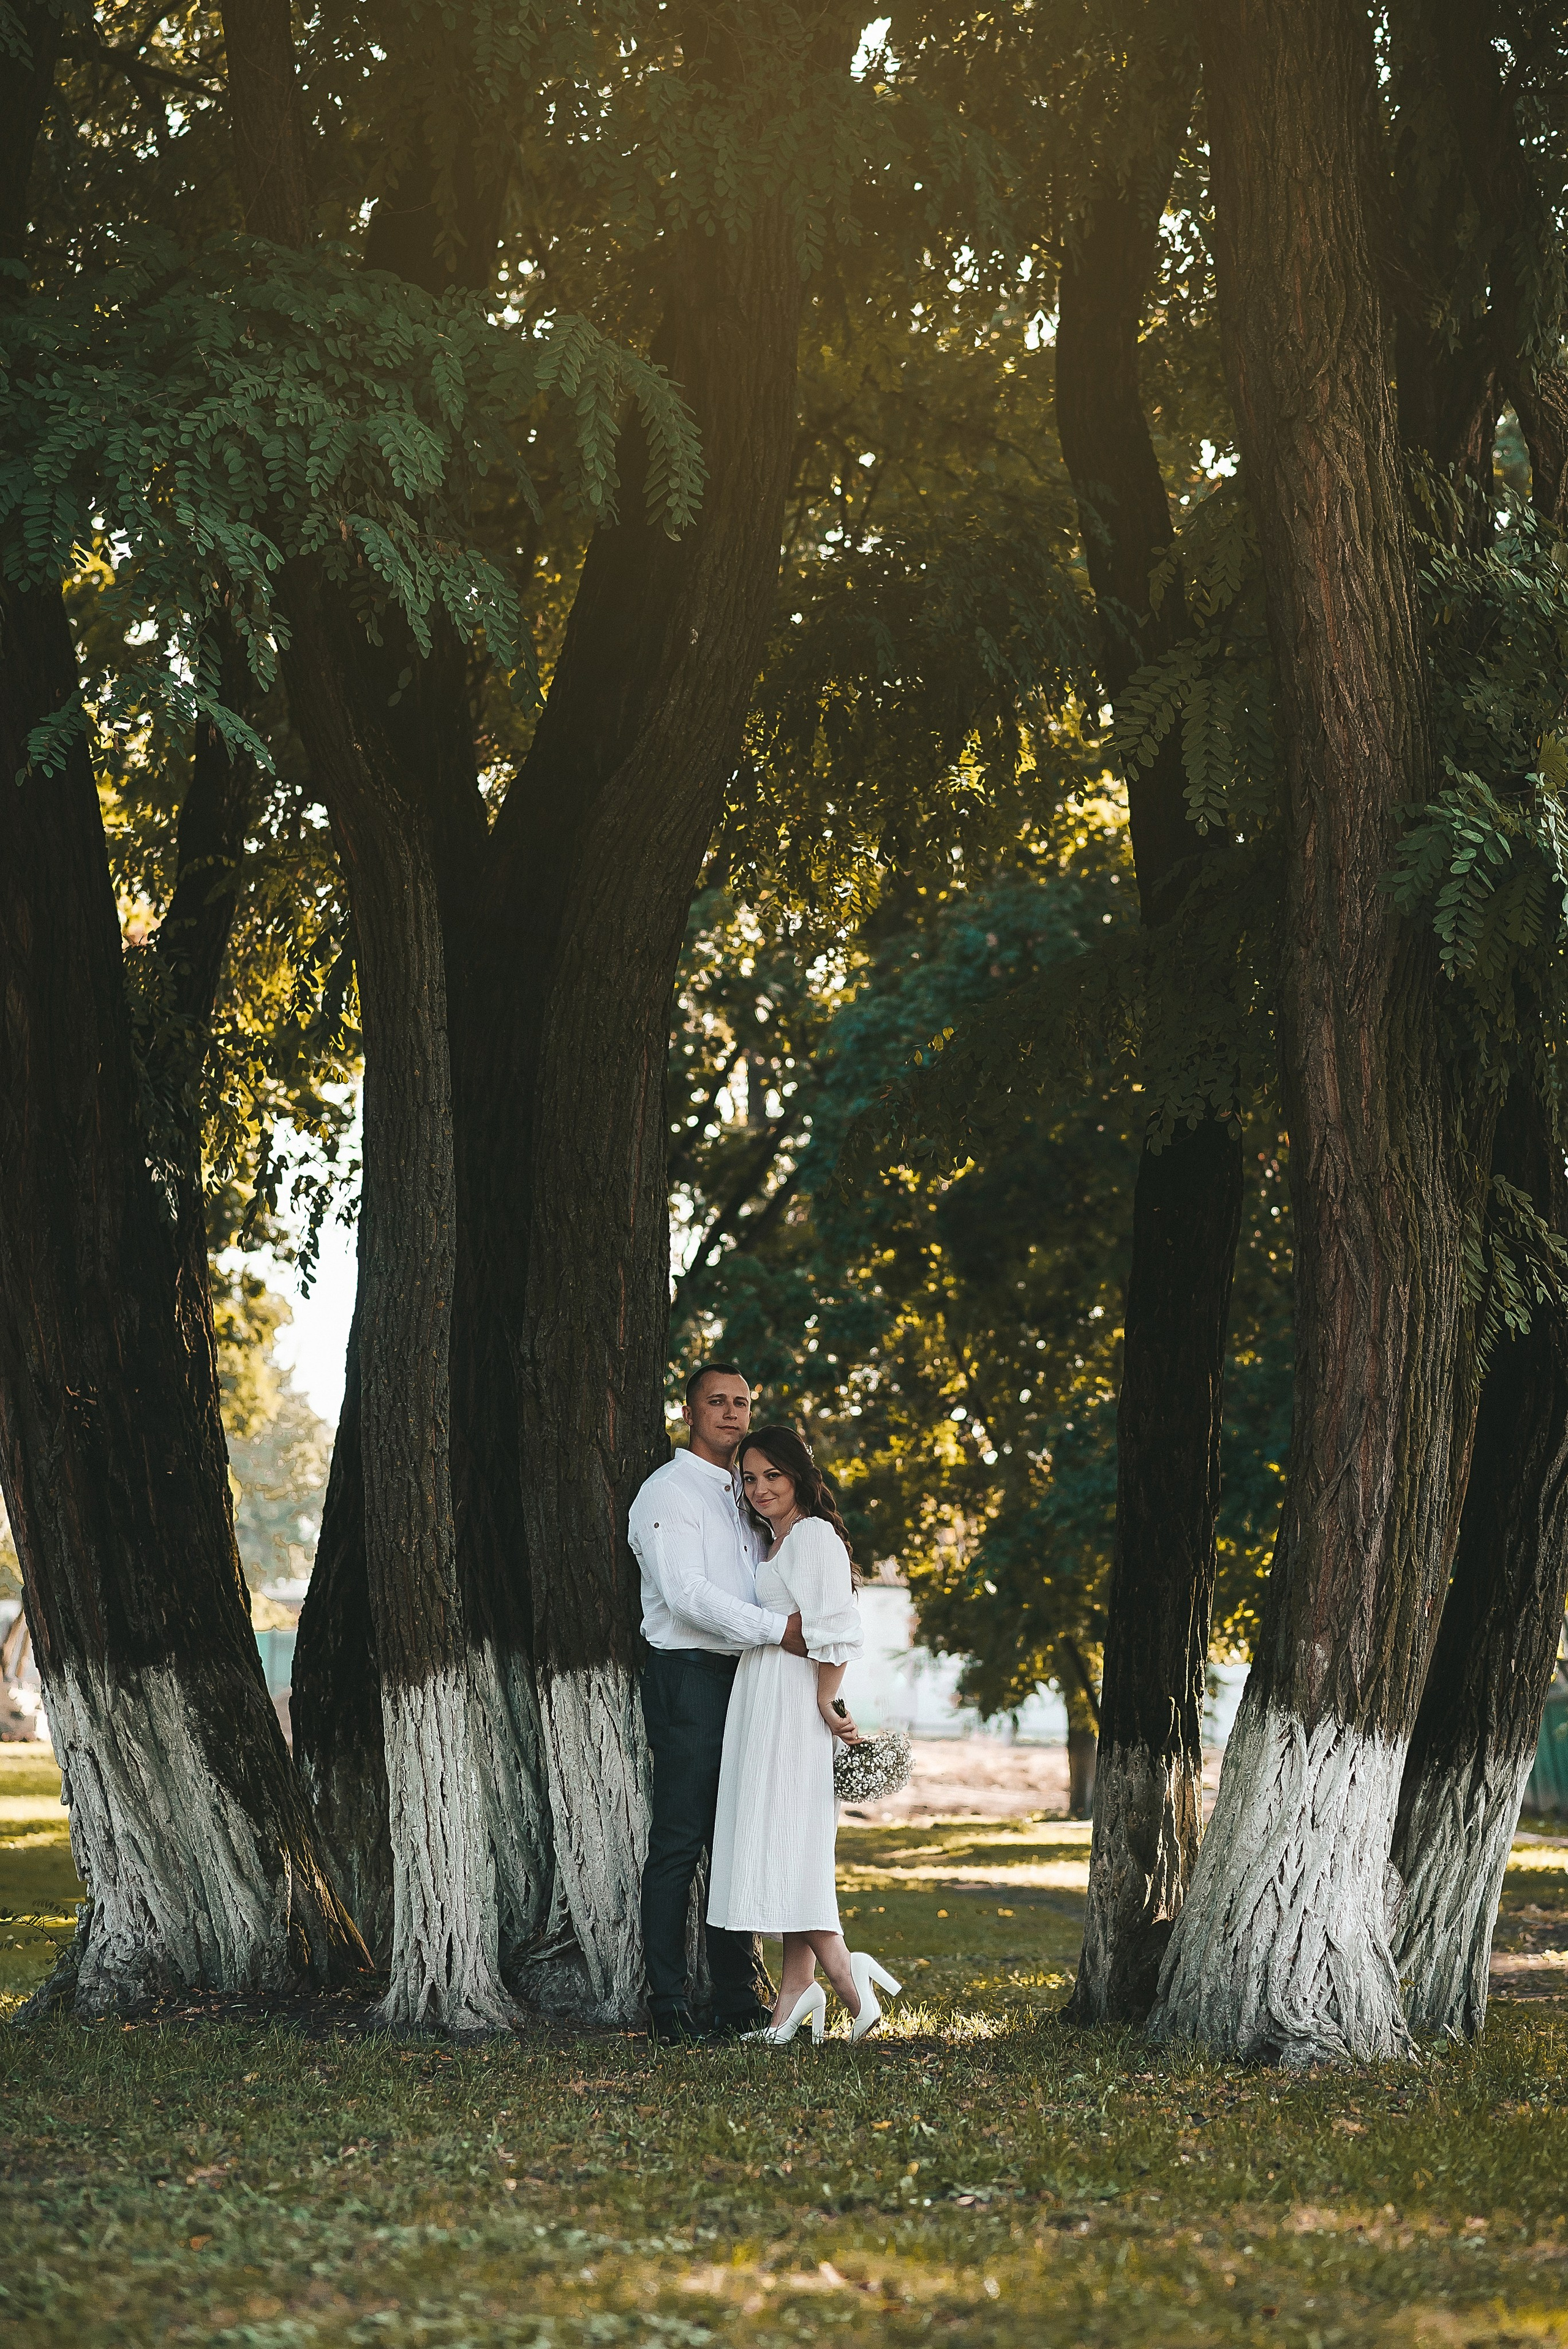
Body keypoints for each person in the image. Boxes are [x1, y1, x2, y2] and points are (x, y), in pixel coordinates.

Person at [628, 1362, 810, 2045]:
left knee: (740, 1836)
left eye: (742, 1401)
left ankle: (735, 1993)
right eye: (717, 1401)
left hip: (751, 1679)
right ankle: (668, 2000)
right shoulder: (668, 1492)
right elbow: (686, 1596)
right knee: (680, 1840)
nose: (732, 1413)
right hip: (689, 1678)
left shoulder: (749, 1496)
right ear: (689, 1409)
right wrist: (779, 1632)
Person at [707, 1423, 905, 2043]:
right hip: (763, 1697)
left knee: (790, 1842)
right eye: (750, 1477)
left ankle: (849, 1981)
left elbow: (838, 1628)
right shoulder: (776, 1540)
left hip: (793, 1705)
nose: (760, 1487)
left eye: (773, 1475)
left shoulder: (813, 1536)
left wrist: (824, 1697)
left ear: (798, 1477)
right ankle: (794, 1995)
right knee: (786, 1842)